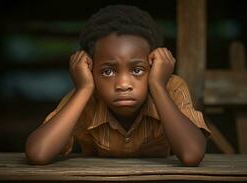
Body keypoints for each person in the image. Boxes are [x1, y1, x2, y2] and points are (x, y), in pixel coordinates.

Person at [25, 5, 211, 166]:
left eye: (137, 70)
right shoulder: (86, 94)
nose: (123, 84)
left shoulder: (171, 87)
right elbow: (38, 153)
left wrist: (157, 86)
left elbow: (191, 155)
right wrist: (83, 90)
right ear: (89, 70)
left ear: (154, 67)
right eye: (108, 71)